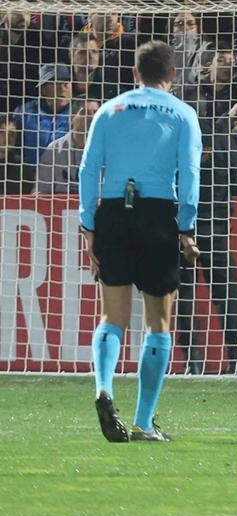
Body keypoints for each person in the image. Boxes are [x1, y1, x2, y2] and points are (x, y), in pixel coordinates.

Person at [78, 41, 201, 444]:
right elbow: (190, 175)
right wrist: (185, 225)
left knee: (111, 317)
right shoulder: (183, 113)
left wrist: (88, 222)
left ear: (135, 74)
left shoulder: (109, 110)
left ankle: (103, 388)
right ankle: (144, 422)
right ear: (173, 75)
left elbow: (88, 167)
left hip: (113, 210)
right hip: (158, 214)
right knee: (158, 323)